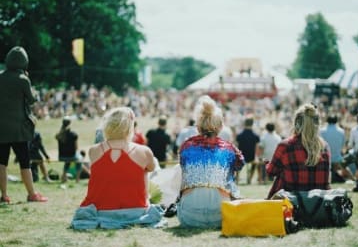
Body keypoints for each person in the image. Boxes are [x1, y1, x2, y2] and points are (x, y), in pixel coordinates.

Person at [70, 107, 163, 229]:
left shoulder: (94, 151)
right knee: (145, 169)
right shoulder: (144, 151)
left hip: (101, 211)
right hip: (136, 210)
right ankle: (141, 200)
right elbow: (151, 168)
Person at [177, 95, 245, 228]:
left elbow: (183, 169)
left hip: (189, 216)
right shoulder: (229, 148)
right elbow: (240, 164)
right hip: (221, 216)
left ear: (198, 126)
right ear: (220, 127)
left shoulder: (186, 146)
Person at [0, 46, 47, 203]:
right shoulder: (23, 79)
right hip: (19, 128)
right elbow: (32, 100)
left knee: (2, 162)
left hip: (1, 127)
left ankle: (4, 195)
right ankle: (31, 194)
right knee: (24, 161)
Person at [266, 103, 330, 199]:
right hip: (317, 205)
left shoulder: (285, 146)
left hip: (291, 204)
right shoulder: (324, 147)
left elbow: (271, 172)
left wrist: (267, 163)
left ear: (296, 123)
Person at [320, 114, 354, 182]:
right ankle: (354, 180)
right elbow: (343, 146)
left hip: (324, 158)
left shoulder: (321, 131)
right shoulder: (341, 131)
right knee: (343, 167)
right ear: (336, 121)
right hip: (337, 158)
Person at [55, 117, 81, 182]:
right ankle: (77, 178)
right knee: (80, 160)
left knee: (68, 160)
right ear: (70, 124)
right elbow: (76, 148)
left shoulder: (59, 135)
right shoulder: (73, 134)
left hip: (61, 157)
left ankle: (64, 176)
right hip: (71, 156)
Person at [236, 116, 260, 184]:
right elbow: (257, 148)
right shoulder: (256, 136)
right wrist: (256, 157)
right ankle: (250, 178)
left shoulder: (239, 135)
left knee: (238, 162)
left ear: (244, 124)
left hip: (241, 157)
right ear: (252, 124)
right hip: (251, 157)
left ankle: (237, 177)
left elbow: (237, 147)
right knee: (255, 163)